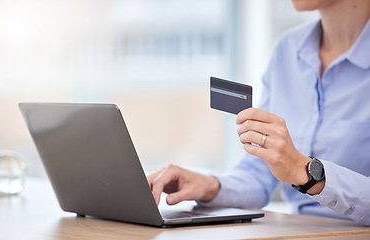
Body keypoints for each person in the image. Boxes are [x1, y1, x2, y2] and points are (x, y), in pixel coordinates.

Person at [147, 0, 370, 226]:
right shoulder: (289, 49)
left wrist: (307, 172)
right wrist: (210, 185)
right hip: (299, 230)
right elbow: (261, 173)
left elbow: (293, 167)